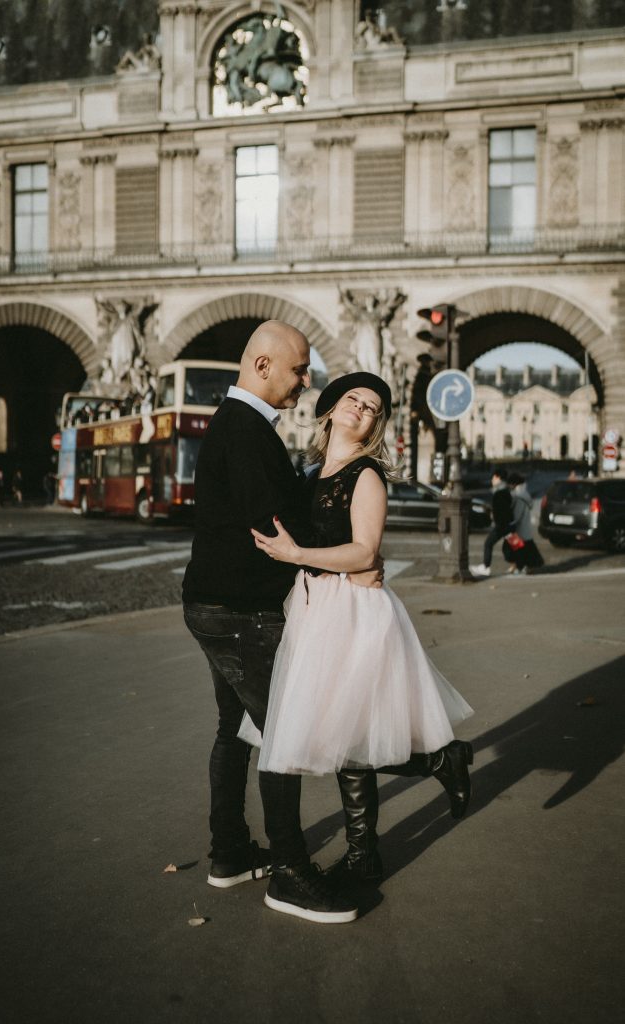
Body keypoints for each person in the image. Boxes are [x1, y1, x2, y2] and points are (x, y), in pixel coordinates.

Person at [239, 372, 474, 887]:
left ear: (375, 426)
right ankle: (427, 777)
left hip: (352, 609)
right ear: (328, 410)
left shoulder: (367, 475)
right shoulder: (310, 473)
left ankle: (417, 788)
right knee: (340, 737)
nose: (362, 411)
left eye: (372, 408)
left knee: (347, 737)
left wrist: (300, 555)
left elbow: (365, 551)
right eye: (354, 401)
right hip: (315, 608)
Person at [183, 321, 377, 925]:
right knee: (281, 737)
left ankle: (231, 853)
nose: (306, 381)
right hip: (242, 610)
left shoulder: (239, 426)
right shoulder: (245, 432)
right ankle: (290, 873)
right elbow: (274, 525)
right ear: (263, 366)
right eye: (298, 369)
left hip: (213, 601)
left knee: (233, 727)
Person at [470, 467, 514, 577]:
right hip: (507, 524)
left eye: (493, 478)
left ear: (498, 477)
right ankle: (520, 565)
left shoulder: (501, 491)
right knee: (512, 546)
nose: (492, 480)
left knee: (489, 543)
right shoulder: (504, 490)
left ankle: (486, 566)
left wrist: (494, 515)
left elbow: (503, 509)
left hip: (503, 525)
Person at [504, 472, 545, 574]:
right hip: (525, 528)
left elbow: (517, 514)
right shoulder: (524, 494)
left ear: (514, 484)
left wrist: (510, 523)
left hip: (518, 529)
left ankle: (520, 567)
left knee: (511, 549)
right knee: (525, 549)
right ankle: (521, 567)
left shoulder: (518, 497)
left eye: (510, 484)